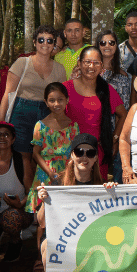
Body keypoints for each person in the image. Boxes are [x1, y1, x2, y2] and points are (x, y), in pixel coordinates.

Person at [0, 26, 66, 188]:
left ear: (54, 44)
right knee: (23, 157)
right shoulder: (22, 63)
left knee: (42, 157)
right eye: (41, 40)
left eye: (50, 40)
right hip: (21, 112)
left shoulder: (59, 69)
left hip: (46, 115)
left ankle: (41, 197)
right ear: (34, 42)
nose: (45, 44)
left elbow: (59, 100)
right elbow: (7, 93)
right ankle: (27, 197)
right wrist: (0, 124)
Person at [34, 134, 116, 272]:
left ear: (96, 158)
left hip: (90, 236)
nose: (84, 157)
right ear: (72, 155)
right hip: (61, 237)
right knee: (48, 247)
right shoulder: (57, 184)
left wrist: (113, 194)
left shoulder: (102, 187)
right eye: (79, 152)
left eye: (90, 153)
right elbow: (42, 223)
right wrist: (44, 202)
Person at [63, 46, 127, 182]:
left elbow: (123, 114)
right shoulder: (65, 88)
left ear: (102, 67)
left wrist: (114, 139)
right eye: (87, 62)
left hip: (96, 154)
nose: (91, 66)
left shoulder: (107, 90)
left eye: (96, 63)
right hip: (68, 151)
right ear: (79, 64)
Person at [29, 82, 80, 211]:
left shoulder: (73, 126)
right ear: (46, 102)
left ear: (67, 100)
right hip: (45, 173)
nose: (56, 104)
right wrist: (50, 172)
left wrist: (67, 172)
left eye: (60, 100)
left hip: (67, 172)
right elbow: (35, 153)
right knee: (43, 211)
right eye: (52, 100)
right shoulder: (40, 125)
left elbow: (76, 152)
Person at [0, 121, 31, 263]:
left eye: (6, 135)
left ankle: (15, 241)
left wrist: (20, 204)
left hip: (18, 213)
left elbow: (32, 191)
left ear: (13, 139)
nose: (2, 138)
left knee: (10, 217)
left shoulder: (21, 160)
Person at [96, 29, 132, 180]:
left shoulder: (124, 77)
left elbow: (124, 112)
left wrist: (116, 139)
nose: (107, 45)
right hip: (93, 128)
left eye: (111, 42)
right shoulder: (88, 73)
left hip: (115, 132)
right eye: (103, 42)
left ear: (117, 46)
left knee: (117, 174)